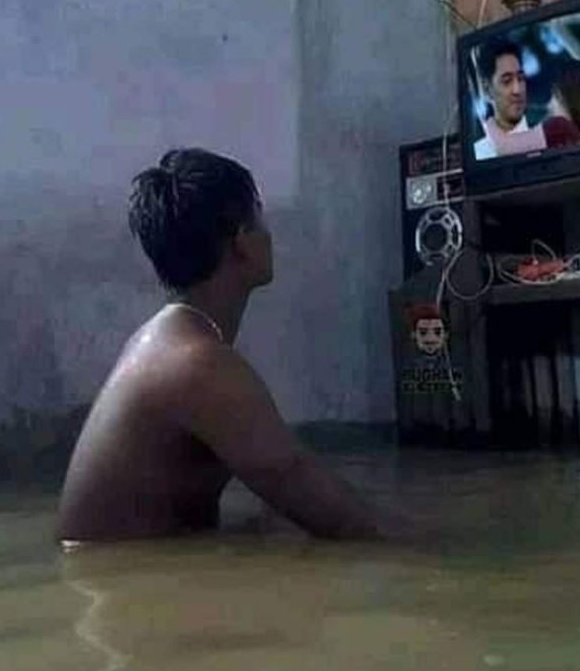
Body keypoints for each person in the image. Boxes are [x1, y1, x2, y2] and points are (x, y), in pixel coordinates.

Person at [57, 148, 380, 543]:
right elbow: (334, 513)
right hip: (118, 574)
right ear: (242, 240)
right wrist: (435, 547)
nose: (270, 235)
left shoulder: (165, 341)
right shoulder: (195, 363)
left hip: (124, 568)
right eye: (261, 217)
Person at [473, 39, 546, 160]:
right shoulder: (479, 154)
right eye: (507, 81)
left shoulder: (547, 134)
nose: (517, 90)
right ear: (487, 89)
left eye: (520, 78)